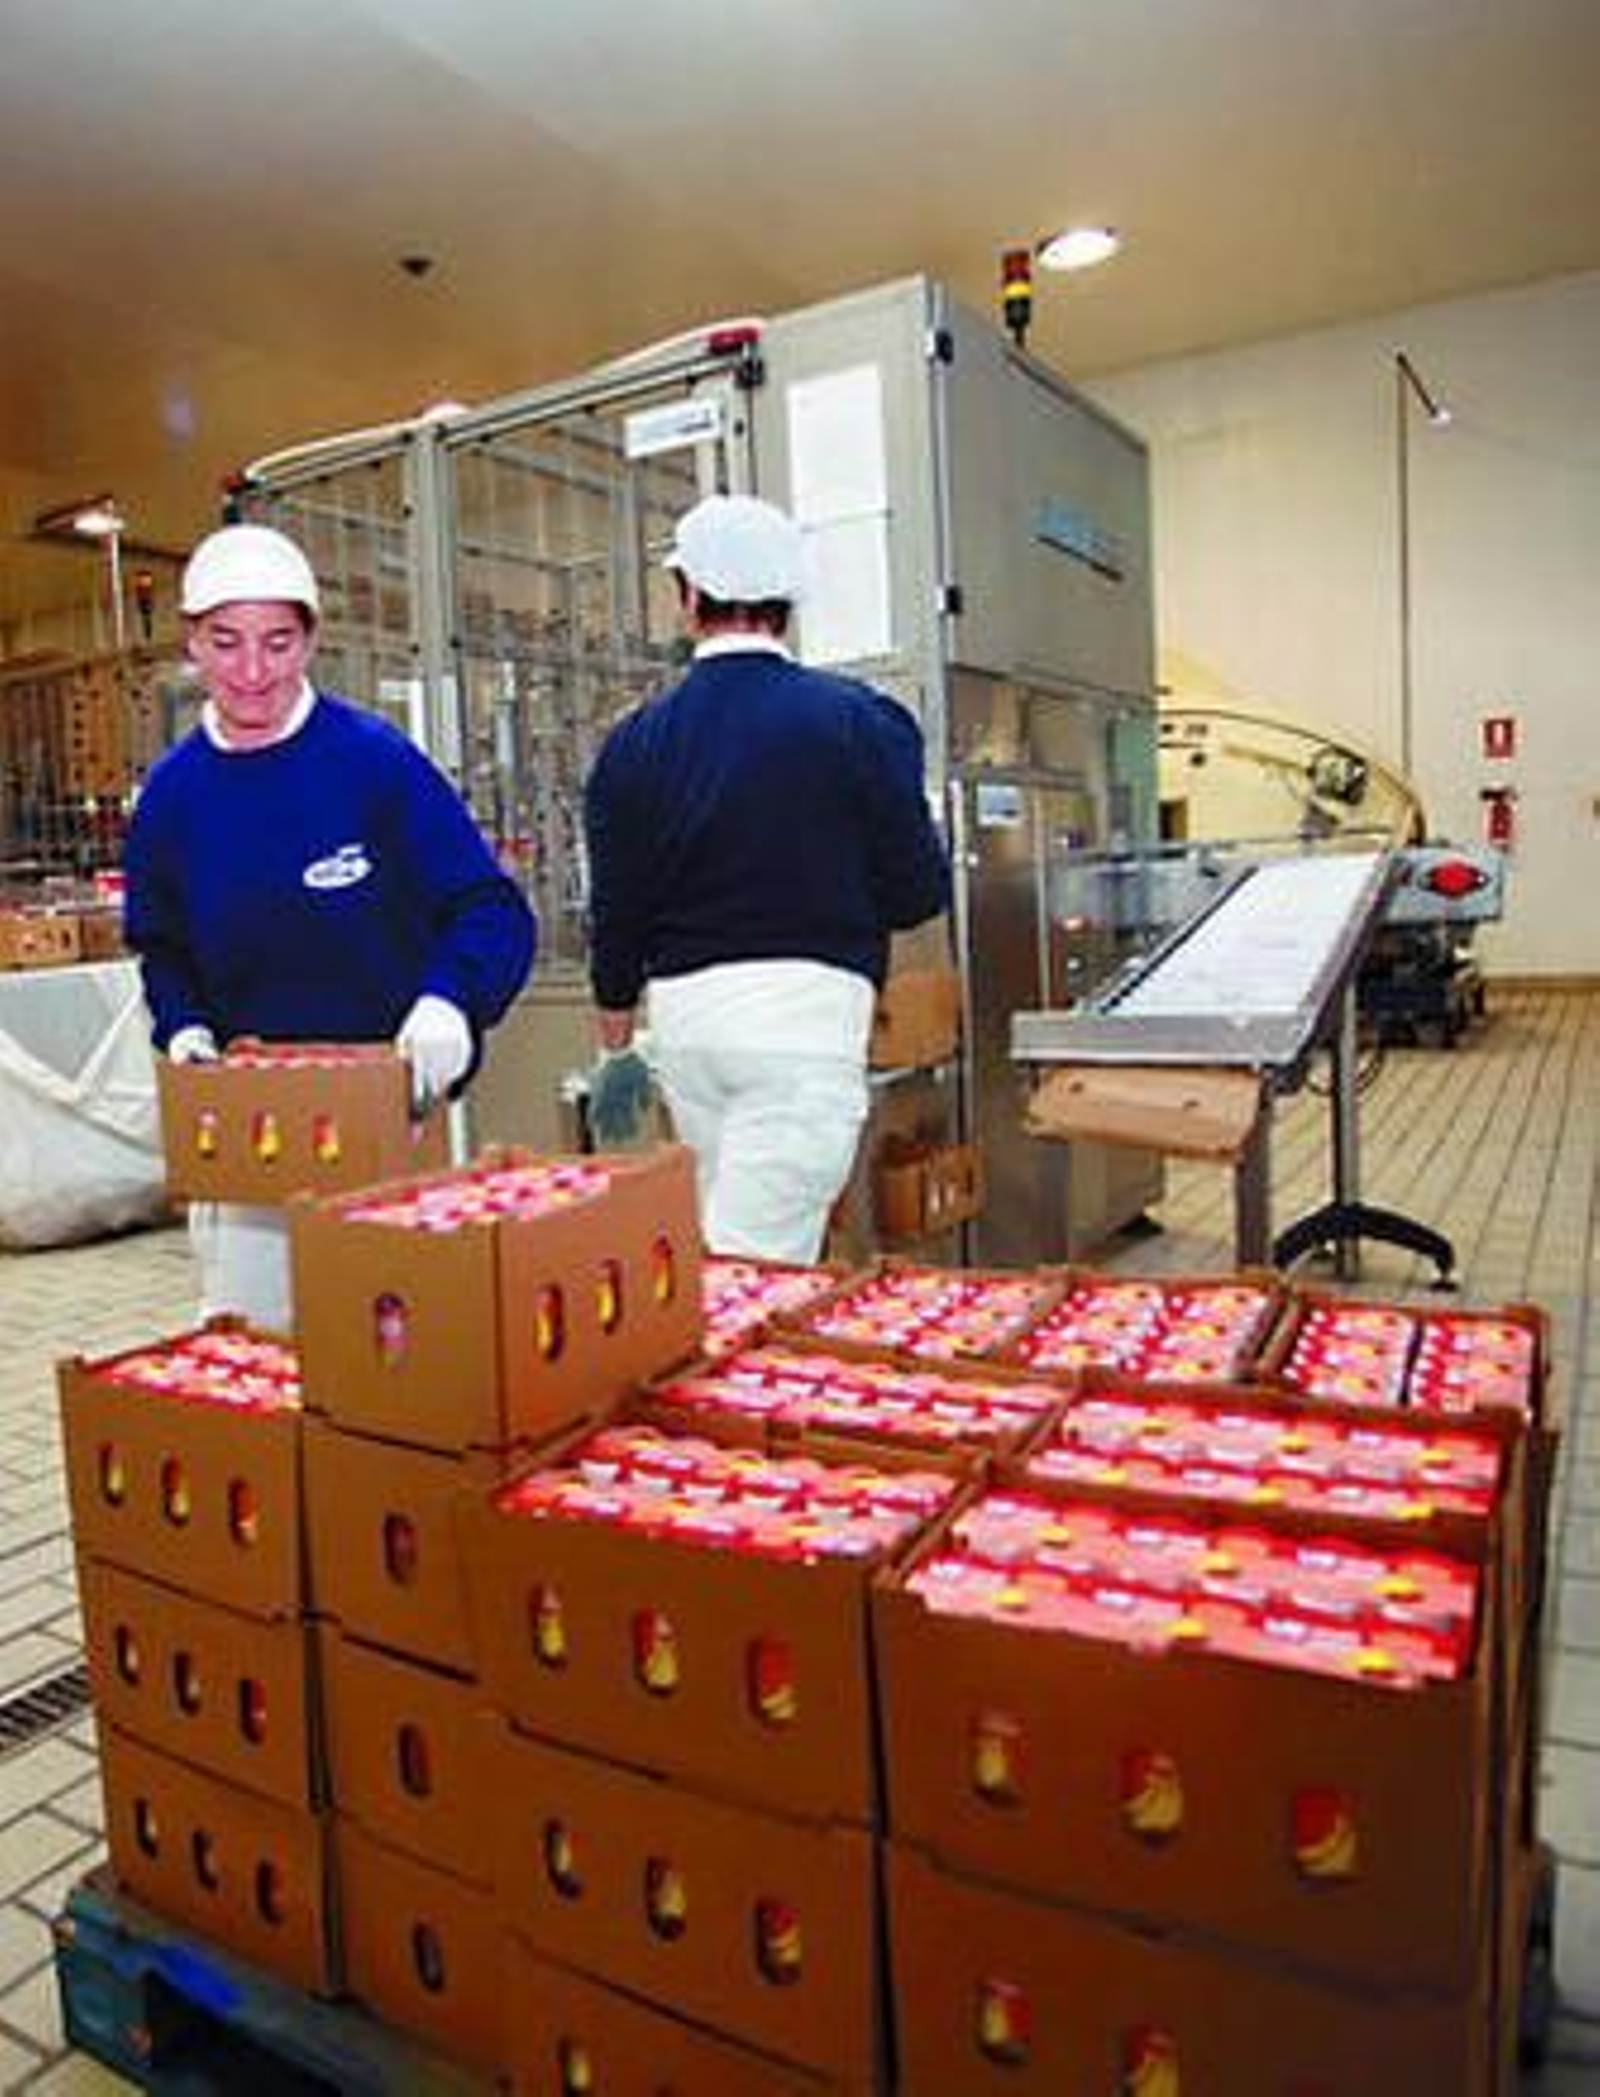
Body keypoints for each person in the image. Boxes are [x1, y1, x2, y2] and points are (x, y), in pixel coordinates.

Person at [124, 521, 536, 1328]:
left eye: (278, 642)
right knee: (254, 1348)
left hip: (389, 1118)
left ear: (311, 641)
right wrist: (183, 1026)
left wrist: (450, 1000)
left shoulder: (373, 763)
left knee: (405, 1348)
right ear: (192, 643)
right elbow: (162, 948)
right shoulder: (172, 797)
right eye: (226, 642)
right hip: (250, 1137)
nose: (252, 672)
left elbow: (490, 911)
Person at [583, 492, 949, 1261]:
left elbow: (617, 917)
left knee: (723, 1247)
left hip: (687, 1035)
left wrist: (616, 1047)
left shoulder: (632, 745)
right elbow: (919, 892)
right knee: (754, 1272)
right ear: (790, 599)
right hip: (803, 1031)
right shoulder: (861, 722)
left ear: (688, 598)